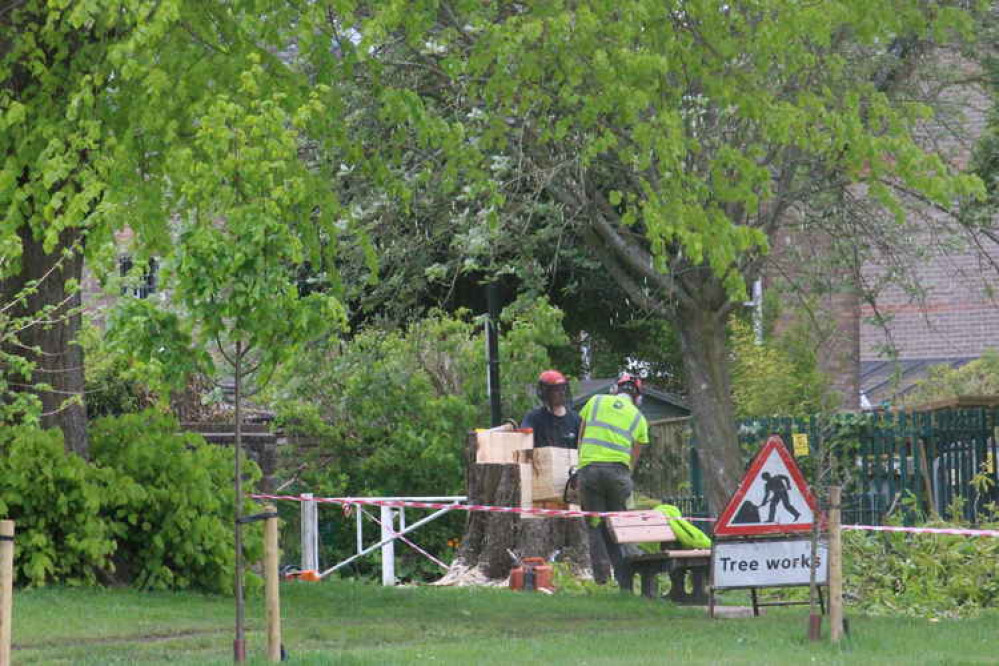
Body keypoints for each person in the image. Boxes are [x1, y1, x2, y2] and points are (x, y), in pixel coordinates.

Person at [576, 372, 650, 585]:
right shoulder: (638, 418)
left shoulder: (596, 402)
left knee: (595, 524)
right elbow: (634, 456)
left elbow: (581, 434)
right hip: (618, 474)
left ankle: (601, 579)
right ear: (638, 397)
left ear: (615, 389)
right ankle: (624, 578)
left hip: (589, 471)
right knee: (619, 525)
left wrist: (581, 465)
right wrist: (625, 475)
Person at [520, 370, 581, 449]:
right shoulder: (534, 418)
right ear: (546, 392)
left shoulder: (575, 419)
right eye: (556, 390)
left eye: (563, 388)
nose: (561, 393)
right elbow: (524, 443)